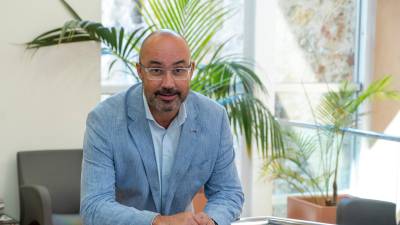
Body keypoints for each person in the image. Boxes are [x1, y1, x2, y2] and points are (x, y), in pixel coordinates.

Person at [80, 30, 244, 225]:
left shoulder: (214, 118)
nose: (168, 83)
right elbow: (95, 205)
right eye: (156, 71)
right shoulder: (104, 120)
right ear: (139, 71)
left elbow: (228, 191)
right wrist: (158, 222)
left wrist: (210, 220)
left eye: (179, 70)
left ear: (190, 70)